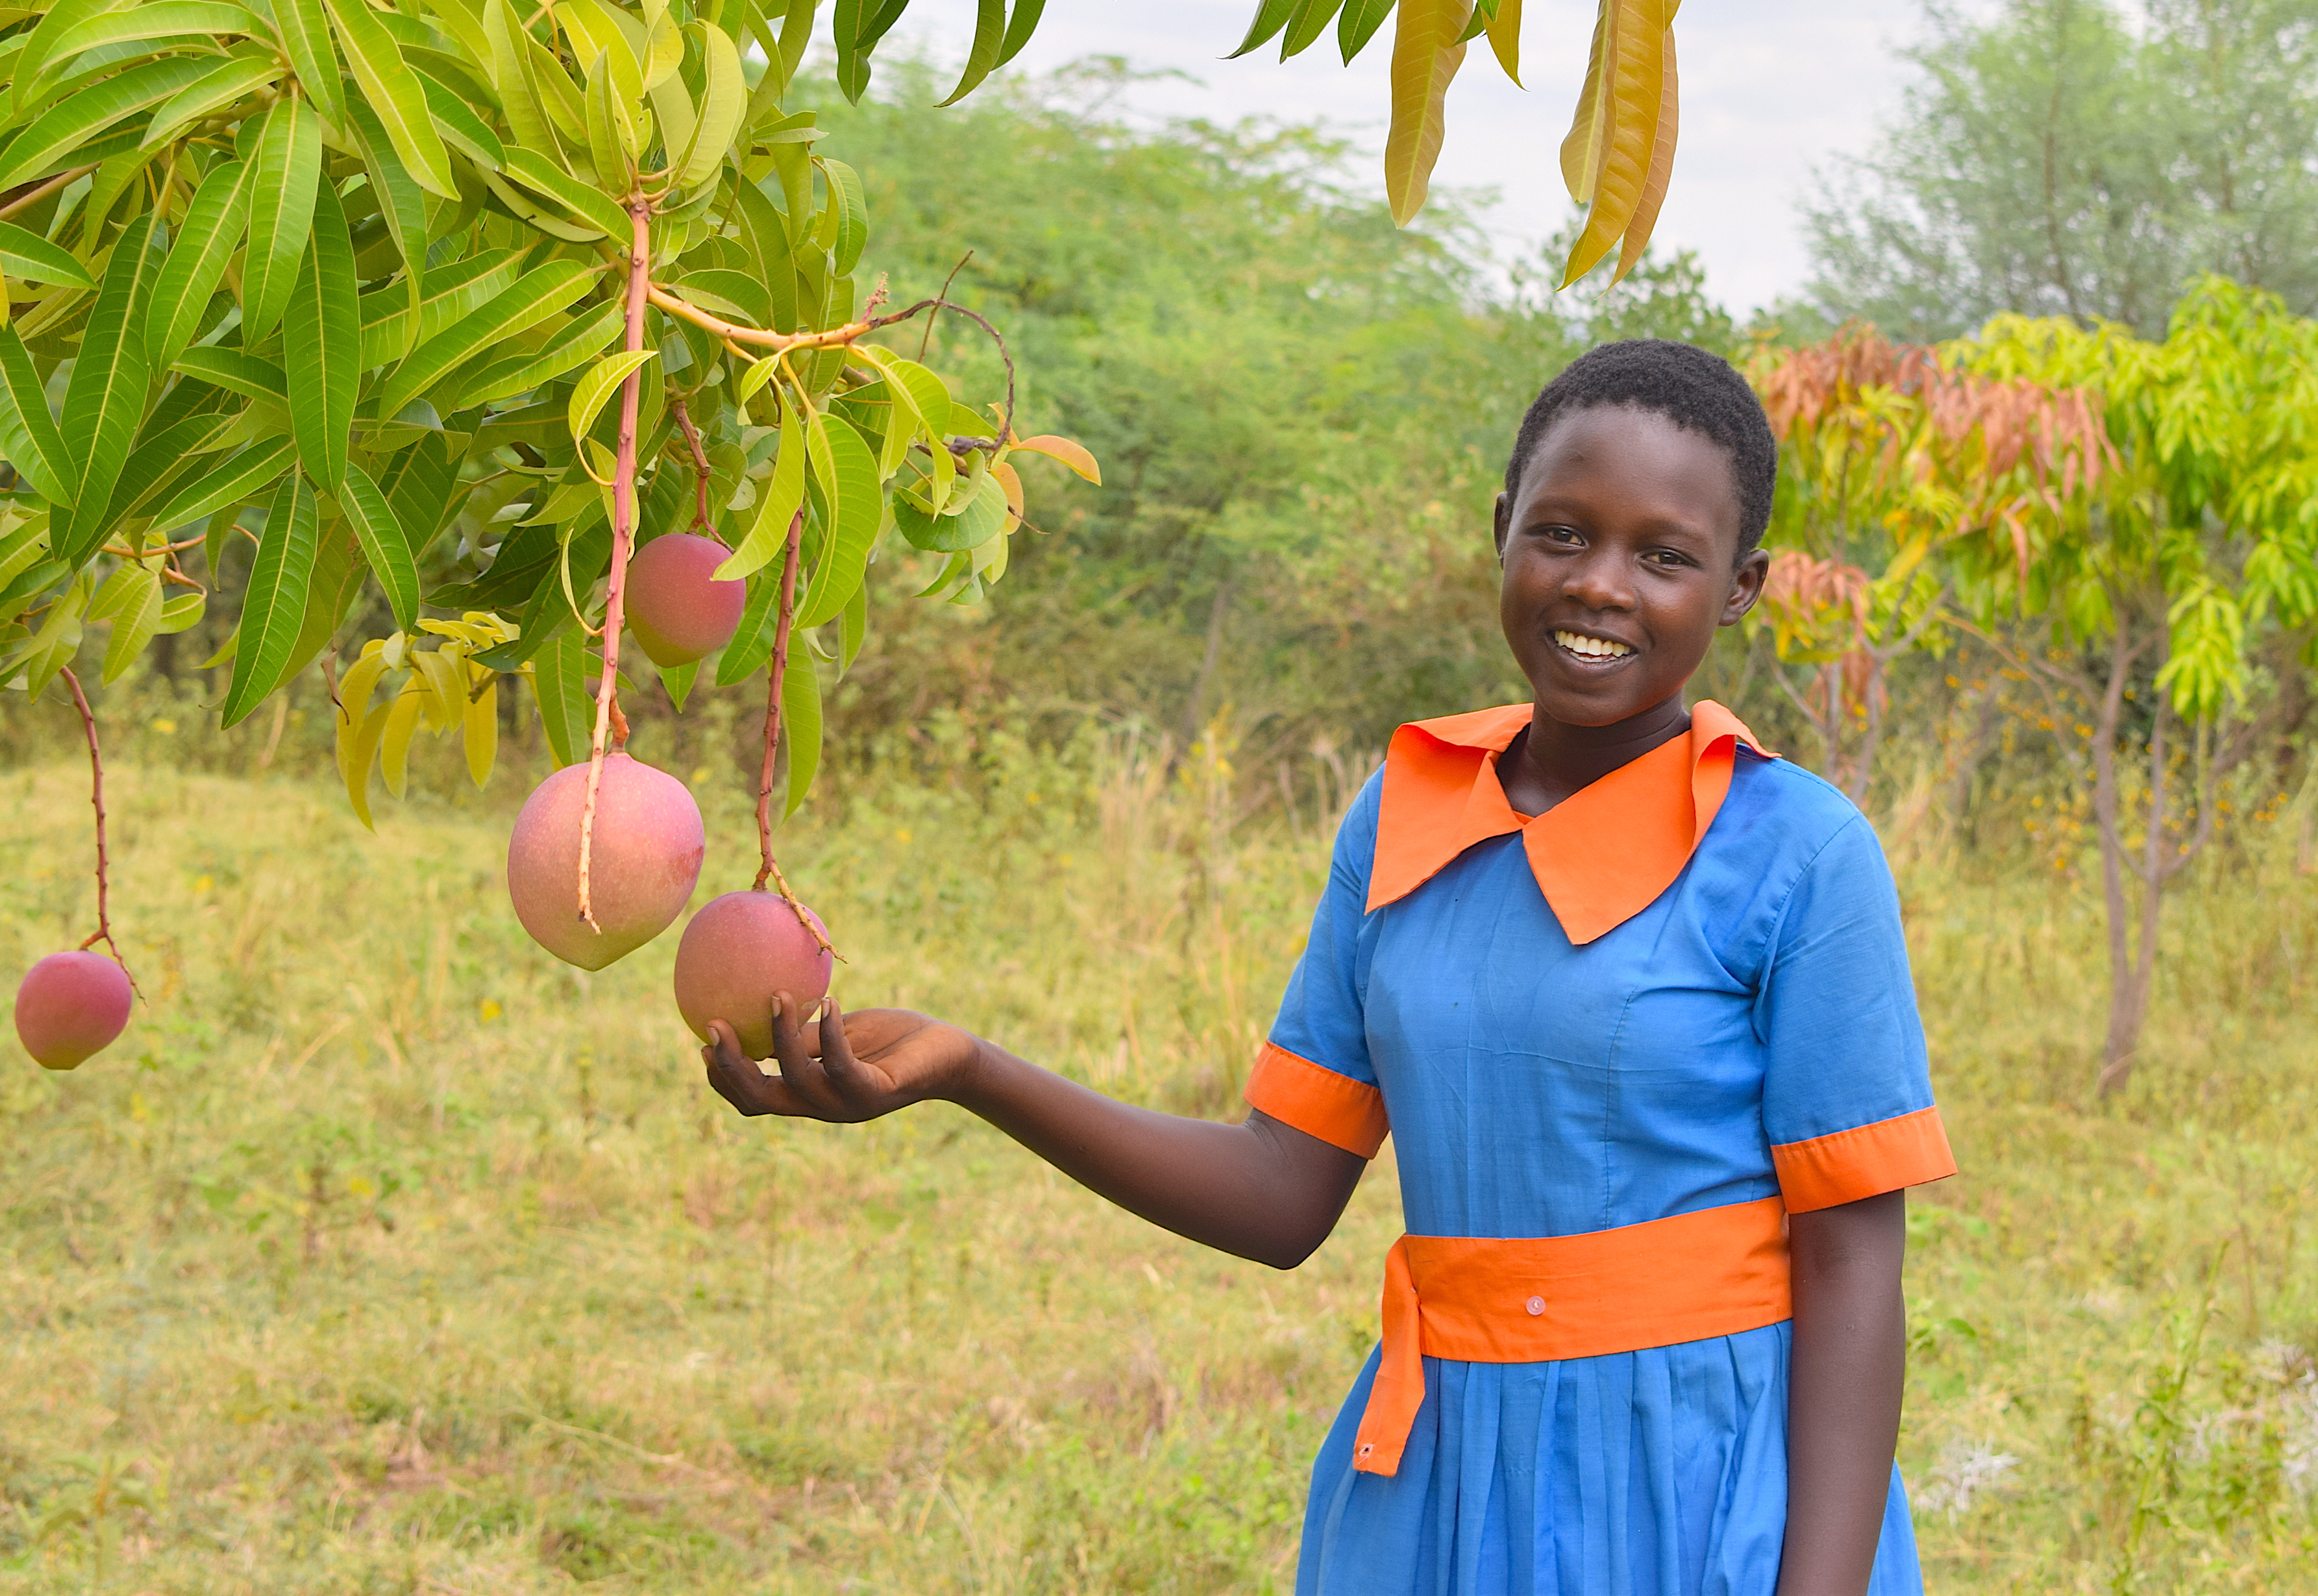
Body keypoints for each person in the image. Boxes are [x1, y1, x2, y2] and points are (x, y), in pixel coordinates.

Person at [703, 338, 1954, 1595]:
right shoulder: (1408, 815)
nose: (1601, 587)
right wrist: (971, 1072)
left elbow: (1854, 1263)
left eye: (1665, 555)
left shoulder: (1795, 855)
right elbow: (1281, 1192)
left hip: (1697, 1486)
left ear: (1739, 588)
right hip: (1438, 1485)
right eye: (1563, 533)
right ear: (1501, 528)